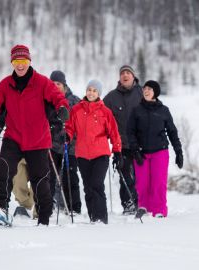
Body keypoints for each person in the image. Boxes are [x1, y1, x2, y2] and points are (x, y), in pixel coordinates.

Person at [0, 44, 69, 226]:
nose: (20, 65)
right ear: (12, 63)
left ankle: (44, 218)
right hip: (14, 137)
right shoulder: (5, 85)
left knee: (40, 181)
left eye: (23, 60)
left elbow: (58, 97)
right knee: (4, 170)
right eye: (16, 61)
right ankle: (2, 210)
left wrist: (62, 108)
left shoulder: (41, 82)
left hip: (38, 140)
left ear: (29, 61)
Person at [65, 80, 122, 224]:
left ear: (99, 94)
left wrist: (117, 151)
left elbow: (114, 133)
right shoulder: (77, 109)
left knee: (97, 184)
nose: (91, 93)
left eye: (94, 90)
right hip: (82, 154)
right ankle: (92, 217)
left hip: (101, 154)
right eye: (89, 89)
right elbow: (70, 127)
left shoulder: (105, 112)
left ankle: (101, 218)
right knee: (88, 187)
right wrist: (67, 135)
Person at [127, 80, 183, 218]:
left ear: (155, 93)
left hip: (160, 152)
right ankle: (144, 208)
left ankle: (159, 210)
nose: (146, 91)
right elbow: (130, 132)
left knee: (158, 183)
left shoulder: (164, 111)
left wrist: (178, 152)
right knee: (142, 183)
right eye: (145, 88)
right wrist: (135, 150)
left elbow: (172, 132)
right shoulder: (136, 110)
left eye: (149, 89)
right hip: (142, 153)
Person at [103, 65, 142, 215]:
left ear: (133, 76)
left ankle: (141, 203)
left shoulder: (141, 92)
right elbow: (100, 112)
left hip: (140, 144)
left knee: (140, 176)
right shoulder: (112, 97)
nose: (125, 75)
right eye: (122, 73)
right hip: (122, 145)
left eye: (128, 73)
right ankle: (128, 206)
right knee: (125, 176)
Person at [48, 70, 82, 215]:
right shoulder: (47, 100)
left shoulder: (74, 100)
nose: (56, 86)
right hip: (52, 145)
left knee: (71, 176)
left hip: (71, 145)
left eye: (58, 83)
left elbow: (81, 122)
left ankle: (74, 207)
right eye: (53, 83)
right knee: (50, 176)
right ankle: (49, 205)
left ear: (64, 85)